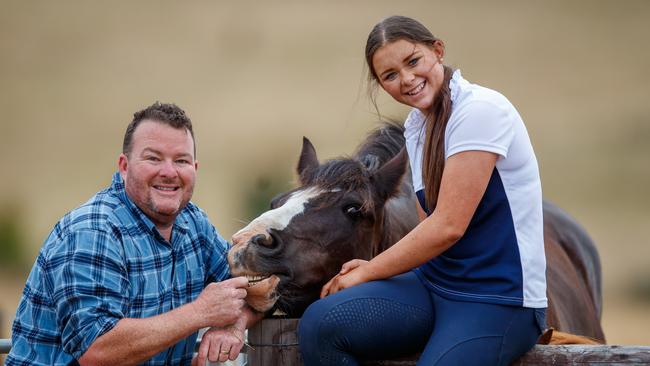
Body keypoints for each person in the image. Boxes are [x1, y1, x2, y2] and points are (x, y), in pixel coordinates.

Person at [298, 15, 547, 366]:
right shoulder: (418, 127)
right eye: (390, 75)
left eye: (413, 62)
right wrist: (373, 269)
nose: (407, 80)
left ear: (437, 51)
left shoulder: (480, 111)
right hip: (435, 286)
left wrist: (369, 270)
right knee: (320, 325)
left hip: (498, 300)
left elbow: (447, 226)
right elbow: (425, 229)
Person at [7, 102, 261, 366]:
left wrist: (233, 325)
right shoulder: (92, 231)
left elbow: (254, 287)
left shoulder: (194, 224)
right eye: (153, 158)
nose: (169, 172)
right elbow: (97, 351)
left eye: (181, 161)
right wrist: (201, 313)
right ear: (124, 166)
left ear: (195, 169)